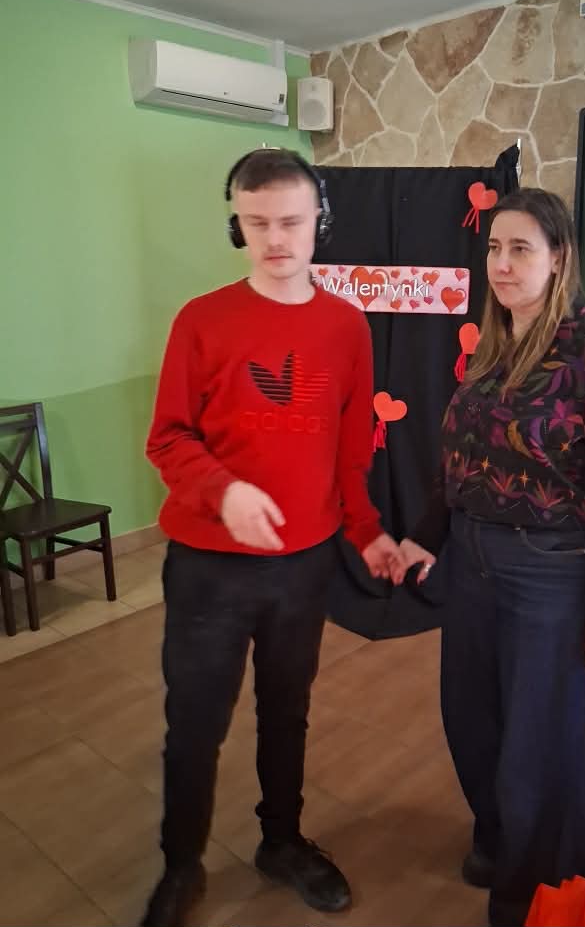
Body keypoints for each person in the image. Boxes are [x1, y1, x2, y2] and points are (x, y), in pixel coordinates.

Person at [140, 148, 405, 927]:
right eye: (256, 223)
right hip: (208, 568)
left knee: (286, 710)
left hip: (303, 565)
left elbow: (349, 449)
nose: (275, 239)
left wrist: (365, 532)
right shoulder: (200, 320)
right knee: (195, 723)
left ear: (320, 221)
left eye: (290, 221)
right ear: (237, 226)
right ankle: (180, 865)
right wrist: (224, 491)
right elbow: (167, 438)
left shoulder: (346, 326)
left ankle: (281, 841)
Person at [399, 188, 585, 927]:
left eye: (521, 249)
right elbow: (461, 458)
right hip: (472, 561)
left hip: (549, 569)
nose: (502, 265)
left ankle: (539, 893)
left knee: (539, 743)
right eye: (493, 248)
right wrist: (425, 535)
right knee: (471, 718)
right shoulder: (494, 342)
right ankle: (499, 838)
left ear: (558, 257)